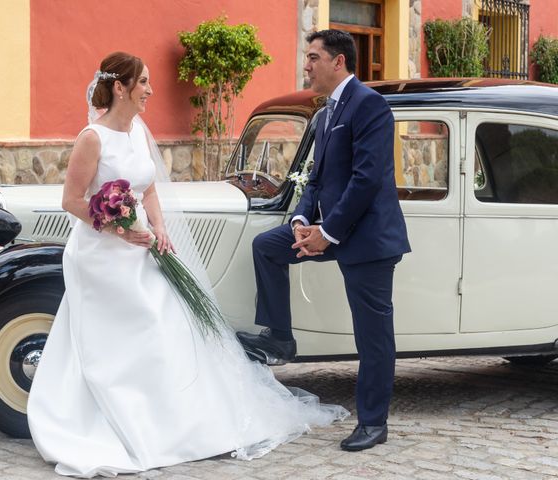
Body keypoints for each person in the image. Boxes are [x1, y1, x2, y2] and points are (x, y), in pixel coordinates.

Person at [26, 51, 347, 478]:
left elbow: (150, 191)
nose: (150, 90)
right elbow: (71, 201)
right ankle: (119, 419)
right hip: (102, 257)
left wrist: (159, 229)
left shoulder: (138, 130)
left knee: (165, 323)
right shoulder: (92, 138)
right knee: (123, 333)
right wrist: (120, 231)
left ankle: (178, 418)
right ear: (119, 87)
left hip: (145, 247)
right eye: (143, 82)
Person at [237, 30, 411, 452]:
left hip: (368, 237)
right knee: (268, 247)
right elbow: (316, 178)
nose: (306, 65)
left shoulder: (370, 105)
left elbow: (366, 179)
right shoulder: (324, 113)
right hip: (329, 229)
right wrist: (301, 221)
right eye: (306, 57)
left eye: (313, 57)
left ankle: (374, 423)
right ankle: (280, 335)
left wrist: (326, 233)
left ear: (339, 62)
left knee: (372, 336)